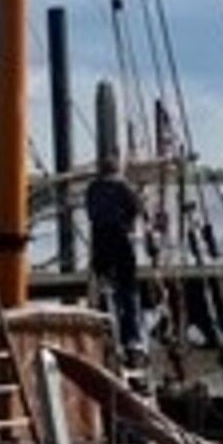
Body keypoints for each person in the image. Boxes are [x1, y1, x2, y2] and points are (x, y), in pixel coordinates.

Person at [86, 154, 146, 359]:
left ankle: (105, 332)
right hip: (121, 241)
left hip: (100, 243)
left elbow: (91, 214)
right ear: (116, 170)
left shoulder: (92, 189)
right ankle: (131, 338)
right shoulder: (123, 187)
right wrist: (127, 223)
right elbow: (136, 208)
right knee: (128, 290)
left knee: (104, 288)